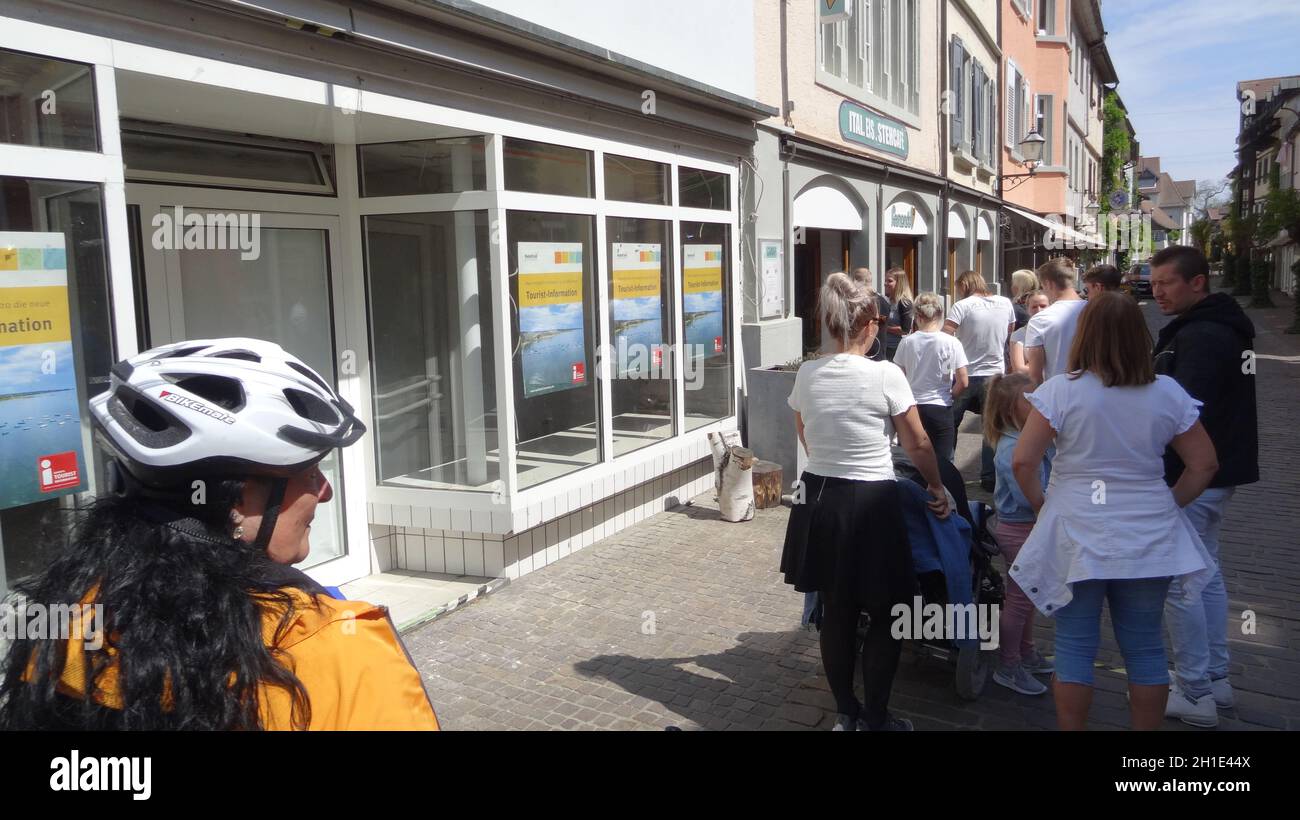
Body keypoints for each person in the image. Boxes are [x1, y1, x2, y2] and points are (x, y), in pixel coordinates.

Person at [0, 338, 441, 730]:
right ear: (234, 498)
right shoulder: (322, 647)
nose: (323, 493)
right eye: (309, 473)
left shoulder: (71, 614)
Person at [1009, 292, 1219, 730]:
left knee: (1074, 644)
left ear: (1086, 336)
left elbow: (1023, 462)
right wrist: (1167, 504)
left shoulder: (1060, 392)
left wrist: (1042, 506)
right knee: (1145, 647)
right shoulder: (1167, 392)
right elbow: (1204, 464)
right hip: (1148, 535)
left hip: (1075, 528)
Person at [781, 273, 950, 732]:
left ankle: (846, 714)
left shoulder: (808, 372)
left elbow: (805, 433)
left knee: (836, 612)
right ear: (870, 324)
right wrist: (937, 488)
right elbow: (917, 445)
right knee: (884, 613)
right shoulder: (885, 374)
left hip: (818, 497)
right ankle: (876, 717)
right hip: (871, 500)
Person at [1151, 245, 1259, 728]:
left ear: (1198, 282)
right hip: (1217, 472)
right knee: (1206, 574)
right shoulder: (1216, 328)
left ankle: (1194, 689)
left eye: (1167, 283)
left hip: (1194, 475)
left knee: (1182, 582)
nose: (1157, 293)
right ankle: (1215, 678)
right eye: (1153, 285)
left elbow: (1179, 409)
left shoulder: (1203, 336)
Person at [982, 372, 1053, 696]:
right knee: (1021, 598)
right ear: (1012, 409)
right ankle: (1009, 665)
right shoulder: (1013, 447)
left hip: (1027, 525)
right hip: (1020, 527)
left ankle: (1025, 651)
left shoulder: (1028, 437)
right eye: (1031, 400)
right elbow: (1028, 494)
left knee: (1026, 596)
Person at [943, 270, 1016, 491]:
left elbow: (946, 334)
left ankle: (948, 474)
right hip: (995, 373)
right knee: (991, 427)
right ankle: (989, 478)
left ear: (964, 285)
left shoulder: (962, 306)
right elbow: (1010, 331)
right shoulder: (1005, 303)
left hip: (965, 371)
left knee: (950, 424)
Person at [892, 292, 968, 462]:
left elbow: (897, 377)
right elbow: (963, 381)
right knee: (943, 461)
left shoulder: (907, 342)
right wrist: (950, 395)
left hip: (912, 406)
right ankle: (942, 487)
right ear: (940, 314)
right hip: (940, 405)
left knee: (910, 458)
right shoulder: (952, 342)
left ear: (917, 316)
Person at [1024, 257, 1085, 385]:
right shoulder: (1097, 311)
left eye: (1043, 286)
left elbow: (1035, 376)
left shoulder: (1040, 319)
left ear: (1049, 284)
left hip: (1057, 395)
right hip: (1095, 394)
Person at [851, 267, 892, 361]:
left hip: (860, 351)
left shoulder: (856, 301)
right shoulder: (883, 301)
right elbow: (883, 324)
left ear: (854, 281)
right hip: (879, 350)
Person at [1008, 290, 1050, 374]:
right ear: (1027, 309)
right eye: (1034, 307)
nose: (1039, 310)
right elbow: (1019, 370)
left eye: (1043, 306)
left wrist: (1030, 363)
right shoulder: (1018, 335)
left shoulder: (1057, 331)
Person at [882, 267, 915, 362]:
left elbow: (905, 330)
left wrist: (884, 327)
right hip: (885, 346)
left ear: (899, 283)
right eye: (885, 280)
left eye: (889, 281)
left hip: (896, 349)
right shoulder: (887, 300)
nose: (885, 284)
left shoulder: (904, 303)